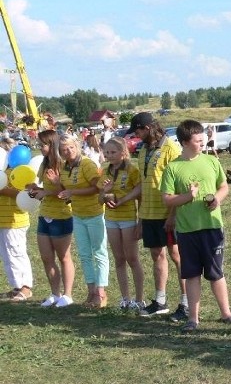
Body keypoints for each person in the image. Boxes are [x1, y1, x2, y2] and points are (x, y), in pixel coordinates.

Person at [161, 120, 231, 332]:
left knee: (216, 272)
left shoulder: (212, 161)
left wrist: (217, 200)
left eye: (203, 138)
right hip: (187, 231)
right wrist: (188, 196)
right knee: (192, 274)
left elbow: (223, 187)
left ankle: (226, 313)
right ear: (185, 142)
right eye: (197, 140)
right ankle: (193, 319)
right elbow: (167, 199)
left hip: (212, 227)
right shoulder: (173, 168)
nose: (203, 142)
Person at [130, 112, 188, 321]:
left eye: (137, 131)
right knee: (157, 255)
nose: (135, 135)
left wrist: (172, 214)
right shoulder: (143, 149)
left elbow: (178, 185)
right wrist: (140, 218)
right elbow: (145, 184)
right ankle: (160, 301)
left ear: (147, 128)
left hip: (167, 212)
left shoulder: (171, 149)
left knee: (177, 256)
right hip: (149, 213)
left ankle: (186, 303)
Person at [54, 134, 109, 309]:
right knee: (85, 255)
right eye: (63, 149)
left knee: (99, 253)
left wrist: (72, 193)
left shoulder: (86, 164)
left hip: (95, 213)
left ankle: (101, 293)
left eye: (70, 147)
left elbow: (96, 187)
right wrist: (58, 184)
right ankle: (90, 291)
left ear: (77, 146)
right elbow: (66, 190)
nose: (68, 151)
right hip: (77, 215)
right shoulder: (64, 167)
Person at [28, 130, 75, 307]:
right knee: (46, 257)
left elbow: (66, 192)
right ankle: (55, 294)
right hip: (44, 215)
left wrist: (52, 186)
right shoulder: (44, 164)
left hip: (62, 215)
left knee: (64, 257)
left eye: (43, 144)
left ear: (52, 144)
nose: (40, 148)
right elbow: (43, 188)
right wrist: (34, 189)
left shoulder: (63, 164)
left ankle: (68, 295)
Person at [99, 137, 145, 311]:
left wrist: (140, 221)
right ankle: (125, 298)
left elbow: (140, 193)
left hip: (127, 219)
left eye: (113, 152)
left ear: (123, 152)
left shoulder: (132, 170)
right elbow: (99, 200)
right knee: (119, 259)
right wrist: (105, 193)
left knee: (132, 258)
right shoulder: (105, 172)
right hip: (111, 219)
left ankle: (139, 299)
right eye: (107, 152)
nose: (109, 155)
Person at [0, 138, 33, 302]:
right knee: (7, 255)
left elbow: (22, 194)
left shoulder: (20, 172)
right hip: (2, 219)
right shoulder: (2, 173)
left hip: (15, 220)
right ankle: (16, 285)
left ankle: (26, 287)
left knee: (17, 252)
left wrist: (3, 190)